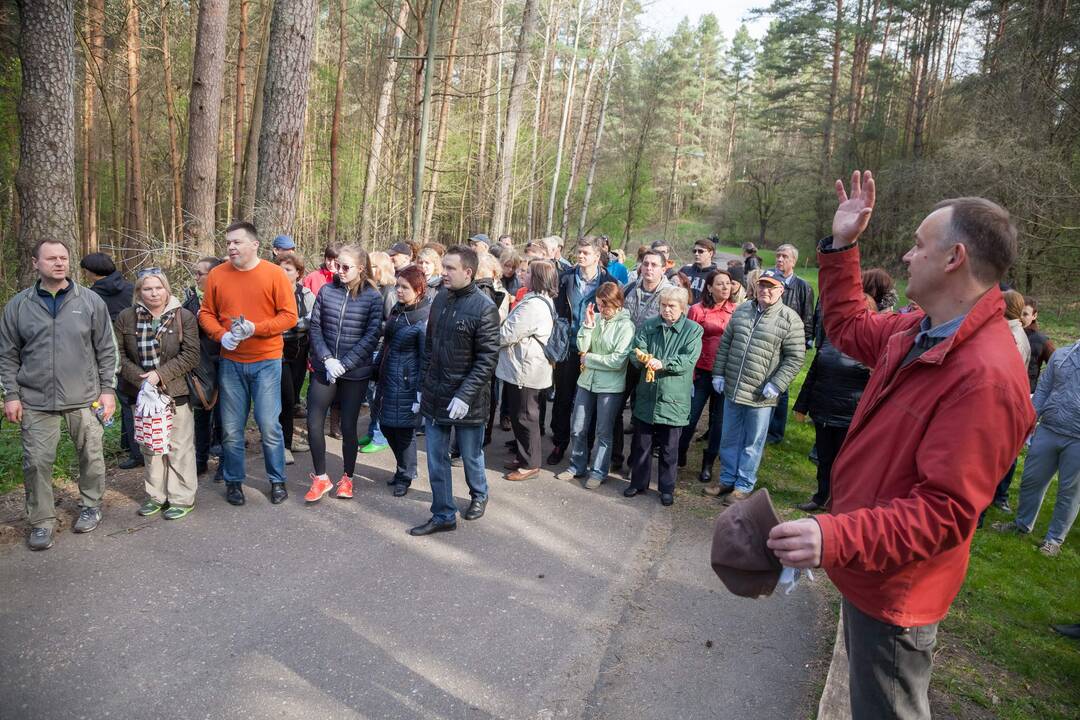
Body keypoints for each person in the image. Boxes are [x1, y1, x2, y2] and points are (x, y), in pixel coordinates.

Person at [767, 171, 1034, 719]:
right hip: (869, 564)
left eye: (918, 245)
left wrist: (832, 533)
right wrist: (842, 247)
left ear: (954, 258)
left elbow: (945, 513)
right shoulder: (919, 329)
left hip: (897, 591)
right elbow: (846, 325)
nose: (908, 257)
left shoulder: (985, 376)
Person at [0, 239, 118, 550]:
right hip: (35, 399)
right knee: (36, 462)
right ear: (36, 263)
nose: (59, 263)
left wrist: (108, 390)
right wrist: (11, 395)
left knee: (91, 456)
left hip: (85, 397)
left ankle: (91, 506)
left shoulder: (90, 301)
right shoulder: (18, 306)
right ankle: (41, 522)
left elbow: (107, 349)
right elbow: (8, 354)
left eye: (63, 258)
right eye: (51, 258)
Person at [199, 221, 298, 507]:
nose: (231, 247)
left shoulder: (274, 274)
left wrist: (257, 328)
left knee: (268, 425)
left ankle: (277, 480)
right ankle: (233, 481)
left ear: (254, 245)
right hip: (231, 362)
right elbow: (206, 314)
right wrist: (221, 335)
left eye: (237, 242)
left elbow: (289, 316)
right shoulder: (218, 275)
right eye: (228, 242)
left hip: (267, 360)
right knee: (231, 429)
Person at [410, 246, 500, 536]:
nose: (443, 273)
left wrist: (464, 395)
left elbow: (487, 359)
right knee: (436, 458)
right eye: (443, 267)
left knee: (471, 455)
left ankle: (479, 493)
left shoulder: (484, 308)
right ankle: (443, 514)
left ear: (468, 272)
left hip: (467, 400)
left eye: (450, 268)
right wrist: (422, 387)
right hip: (436, 394)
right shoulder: (440, 299)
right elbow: (430, 348)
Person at [711, 269, 805, 505]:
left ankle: (743, 485)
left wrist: (777, 383)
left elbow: (795, 358)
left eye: (771, 287)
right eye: (762, 286)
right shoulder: (742, 309)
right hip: (733, 387)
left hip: (761, 394)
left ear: (780, 290)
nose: (765, 291)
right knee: (729, 437)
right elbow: (726, 344)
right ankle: (727, 479)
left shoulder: (789, 319)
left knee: (753, 443)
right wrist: (719, 373)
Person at [115, 269, 201, 519]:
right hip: (141, 393)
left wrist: (159, 375)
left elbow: (191, 355)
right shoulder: (126, 317)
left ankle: (181, 497)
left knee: (178, 446)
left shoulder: (183, 317)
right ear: (139, 291)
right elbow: (118, 354)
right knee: (150, 446)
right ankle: (156, 496)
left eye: (158, 287)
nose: (153, 293)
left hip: (175, 391)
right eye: (147, 288)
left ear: (167, 289)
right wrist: (141, 379)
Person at [302, 245, 383, 503]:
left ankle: (347, 477)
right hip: (325, 368)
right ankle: (320, 477)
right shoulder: (327, 290)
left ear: (360, 269)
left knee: (348, 426)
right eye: (336, 265)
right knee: (314, 422)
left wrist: (345, 363)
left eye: (345, 267)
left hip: (354, 371)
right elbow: (315, 327)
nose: (338, 271)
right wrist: (326, 359)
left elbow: (372, 335)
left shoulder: (372, 297)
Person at [992, 338, 1079, 556]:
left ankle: (1054, 540)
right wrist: (1028, 419)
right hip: (1049, 429)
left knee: (1069, 491)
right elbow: (1043, 390)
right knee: (1032, 480)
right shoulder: (1062, 356)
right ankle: (1021, 525)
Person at [791, 293, 875, 512]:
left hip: (850, 416)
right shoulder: (831, 337)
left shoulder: (872, 345)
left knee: (845, 463)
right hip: (823, 412)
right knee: (825, 460)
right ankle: (820, 497)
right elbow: (813, 373)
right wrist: (802, 405)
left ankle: (839, 503)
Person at [623, 287, 703, 506]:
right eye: (663, 305)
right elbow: (636, 349)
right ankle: (638, 483)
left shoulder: (693, 330)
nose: (666, 310)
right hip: (648, 394)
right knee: (642, 444)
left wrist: (663, 363)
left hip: (673, 397)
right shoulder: (650, 325)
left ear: (683, 308)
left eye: (672, 306)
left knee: (669, 449)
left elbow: (688, 360)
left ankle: (667, 488)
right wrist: (642, 358)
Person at [557, 282, 634, 488]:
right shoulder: (596, 318)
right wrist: (588, 325)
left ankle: (599, 471)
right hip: (587, 382)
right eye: (599, 304)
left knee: (603, 431)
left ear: (617, 303)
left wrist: (589, 359)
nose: (602, 309)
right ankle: (577, 465)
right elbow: (582, 347)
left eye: (605, 305)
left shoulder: (626, 326)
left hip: (610, 387)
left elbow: (617, 361)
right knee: (578, 426)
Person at [548, 237, 616, 465]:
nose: (580, 256)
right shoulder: (565, 278)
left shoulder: (609, 282)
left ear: (597, 256)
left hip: (593, 350)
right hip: (568, 348)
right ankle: (559, 442)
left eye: (586, 253)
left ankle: (584, 448)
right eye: (579, 252)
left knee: (588, 402)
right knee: (563, 399)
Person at [371, 265, 431, 497]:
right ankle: (402, 467)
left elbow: (426, 358)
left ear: (418, 289)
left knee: (404, 431)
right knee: (386, 426)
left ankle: (406, 474)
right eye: (397, 286)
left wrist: (419, 390)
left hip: (407, 383)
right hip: (388, 378)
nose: (399, 290)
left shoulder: (424, 317)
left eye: (405, 287)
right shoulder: (398, 310)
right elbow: (387, 345)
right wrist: (376, 369)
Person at [80, 251, 141, 470]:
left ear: (90, 272)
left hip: (112, 353)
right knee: (134, 399)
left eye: (85, 271)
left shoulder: (90, 296)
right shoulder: (131, 287)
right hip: (139, 350)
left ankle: (136, 453)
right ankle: (130, 444)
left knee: (125, 401)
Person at [612, 250, 673, 467]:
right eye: (645, 263)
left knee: (642, 417)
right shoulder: (629, 288)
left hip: (650, 363)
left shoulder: (671, 295)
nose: (648, 268)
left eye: (654, 265)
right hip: (627, 360)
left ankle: (634, 464)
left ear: (664, 269)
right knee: (615, 409)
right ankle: (615, 457)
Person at [498, 261, 558, 482]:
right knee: (521, 414)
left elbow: (508, 334)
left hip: (526, 369)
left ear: (538, 278)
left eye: (528, 272)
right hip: (525, 367)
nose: (523, 275)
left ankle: (530, 464)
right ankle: (524, 457)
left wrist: (490, 337)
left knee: (525, 416)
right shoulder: (541, 300)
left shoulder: (533, 305)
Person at [681, 269, 738, 483]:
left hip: (726, 374)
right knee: (690, 416)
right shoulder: (697, 310)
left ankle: (708, 463)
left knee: (719, 422)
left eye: (728, 283)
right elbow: (688, 342)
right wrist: (690, 373)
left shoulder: (737, 311)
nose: (725, 287)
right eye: (720, 284)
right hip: (701, 372)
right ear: (709, 287)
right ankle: (680, 451)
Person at [766, 243, 815, 445]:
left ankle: (775, 432)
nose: (779, 259)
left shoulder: (803, 287)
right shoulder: (769, 281)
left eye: (784, 256)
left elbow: (808, 316)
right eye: (778, 255)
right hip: (767, 340)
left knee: (782, 386)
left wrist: (805, 341)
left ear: (793, 261)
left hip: (789, 341)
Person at [184, 256, 224, 479]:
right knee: (200, 415)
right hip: (200, 368)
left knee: (224, 416)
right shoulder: (190, 302)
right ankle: (200, 460)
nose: (196, 277)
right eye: (195, 273)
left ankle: (225, 464)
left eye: (200, 273)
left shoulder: (227, 299)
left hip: (225, 363)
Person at [275, 252, 314, 466]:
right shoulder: (269, 291)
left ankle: (285, 437)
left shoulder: (305, 294)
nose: (283, 272)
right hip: (276, 353)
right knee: (285, 397)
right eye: (280, 268)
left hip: (299, 352)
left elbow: (313, 318)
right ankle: (284, 446)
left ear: (298, 273)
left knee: (293, 397)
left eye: (288, 269)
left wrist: (291, 324)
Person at [1021, 297, 1055, 394]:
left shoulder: (1042, 341)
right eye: (1018, 312)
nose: (1020, 317)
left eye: (1025, 314)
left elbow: (1057, 368)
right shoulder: (1005, 334)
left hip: (1027, 393)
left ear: (1034, 316)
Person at [678, 238, 718, 304]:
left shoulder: (716, 275)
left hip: (704, 312)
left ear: (710, 253)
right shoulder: (685, 270)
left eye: (700, 251)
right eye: (694, 251)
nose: (696, 254)